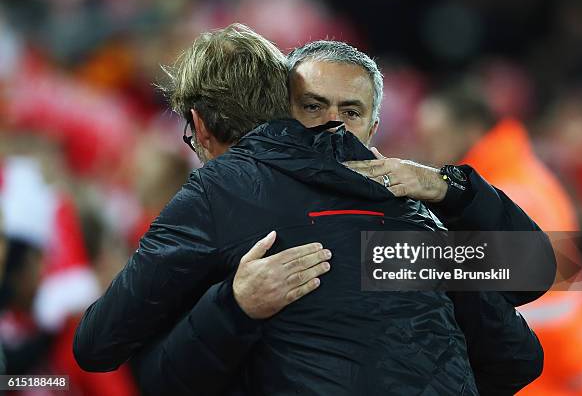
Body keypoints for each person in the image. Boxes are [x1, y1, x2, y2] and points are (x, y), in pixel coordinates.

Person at [74, 26, 554, 395]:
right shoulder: (390, 225)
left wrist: (448, 186)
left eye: (350, 112)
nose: (331, 126)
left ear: (375, 125)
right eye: (312, 106)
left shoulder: (411, 213)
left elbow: (532, 282)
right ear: (281, 112)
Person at [416, 86, 582, 395]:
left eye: (435, 136)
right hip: (562, 353)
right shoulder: (513, 174)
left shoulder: (503, 193)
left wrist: (366, 260)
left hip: (550, 367)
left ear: (471, 130)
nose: (426, 151)